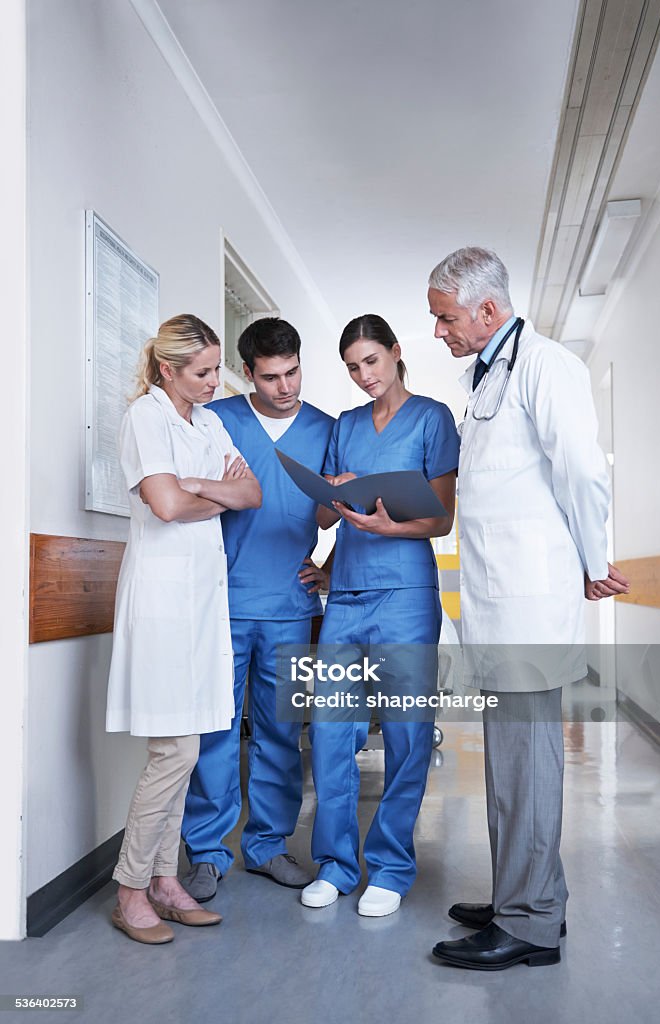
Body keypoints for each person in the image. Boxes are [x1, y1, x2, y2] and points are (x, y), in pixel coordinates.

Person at [427, 247, 629, 970]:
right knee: (512, 767)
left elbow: (579, 469)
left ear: (487, 309)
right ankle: (527, 891)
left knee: (527, 770)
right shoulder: (491, 375)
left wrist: (594, 561)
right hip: (497, 605)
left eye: (446, 317)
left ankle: (532, 922)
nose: (440, 331)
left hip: (528, 608)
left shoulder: (548, 366)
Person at [106, 314, 261, 944]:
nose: (215, 381)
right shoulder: (147, 417)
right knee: (175, 752)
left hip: (202, 605)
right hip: (165, 606)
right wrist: (207, 494)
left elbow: (250, 493)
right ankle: (130, 888)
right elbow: (164, 507)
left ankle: (165, 882)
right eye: (201, 372)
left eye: (216, 368)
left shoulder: (210, 420)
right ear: (168, 370)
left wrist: (195, 485)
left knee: (188, 746)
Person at [300, 313, 459, 917]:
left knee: (405, 733)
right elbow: (334, 516)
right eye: (352, 368)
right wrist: (331, 512)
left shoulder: (432, 418)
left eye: (371, 361)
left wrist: (392, 525)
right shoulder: (343, 426)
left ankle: (390, 867)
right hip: (346, 597)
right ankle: (337, 865)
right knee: (332, 732)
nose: (364, 375)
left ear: (395, 353)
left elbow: (440, 519)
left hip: (407, 596)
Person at [181, 318, 335, 901]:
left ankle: (268, 845)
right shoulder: (219, 420)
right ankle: (206, 853)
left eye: (293, 371)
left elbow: (337, 506)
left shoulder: (326, 428)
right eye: (270, 377)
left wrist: (331, 565)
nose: (285, 386)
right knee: (216, 729)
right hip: (223, 601)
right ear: (247, 373)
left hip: (291, 605)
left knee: (278, 732)